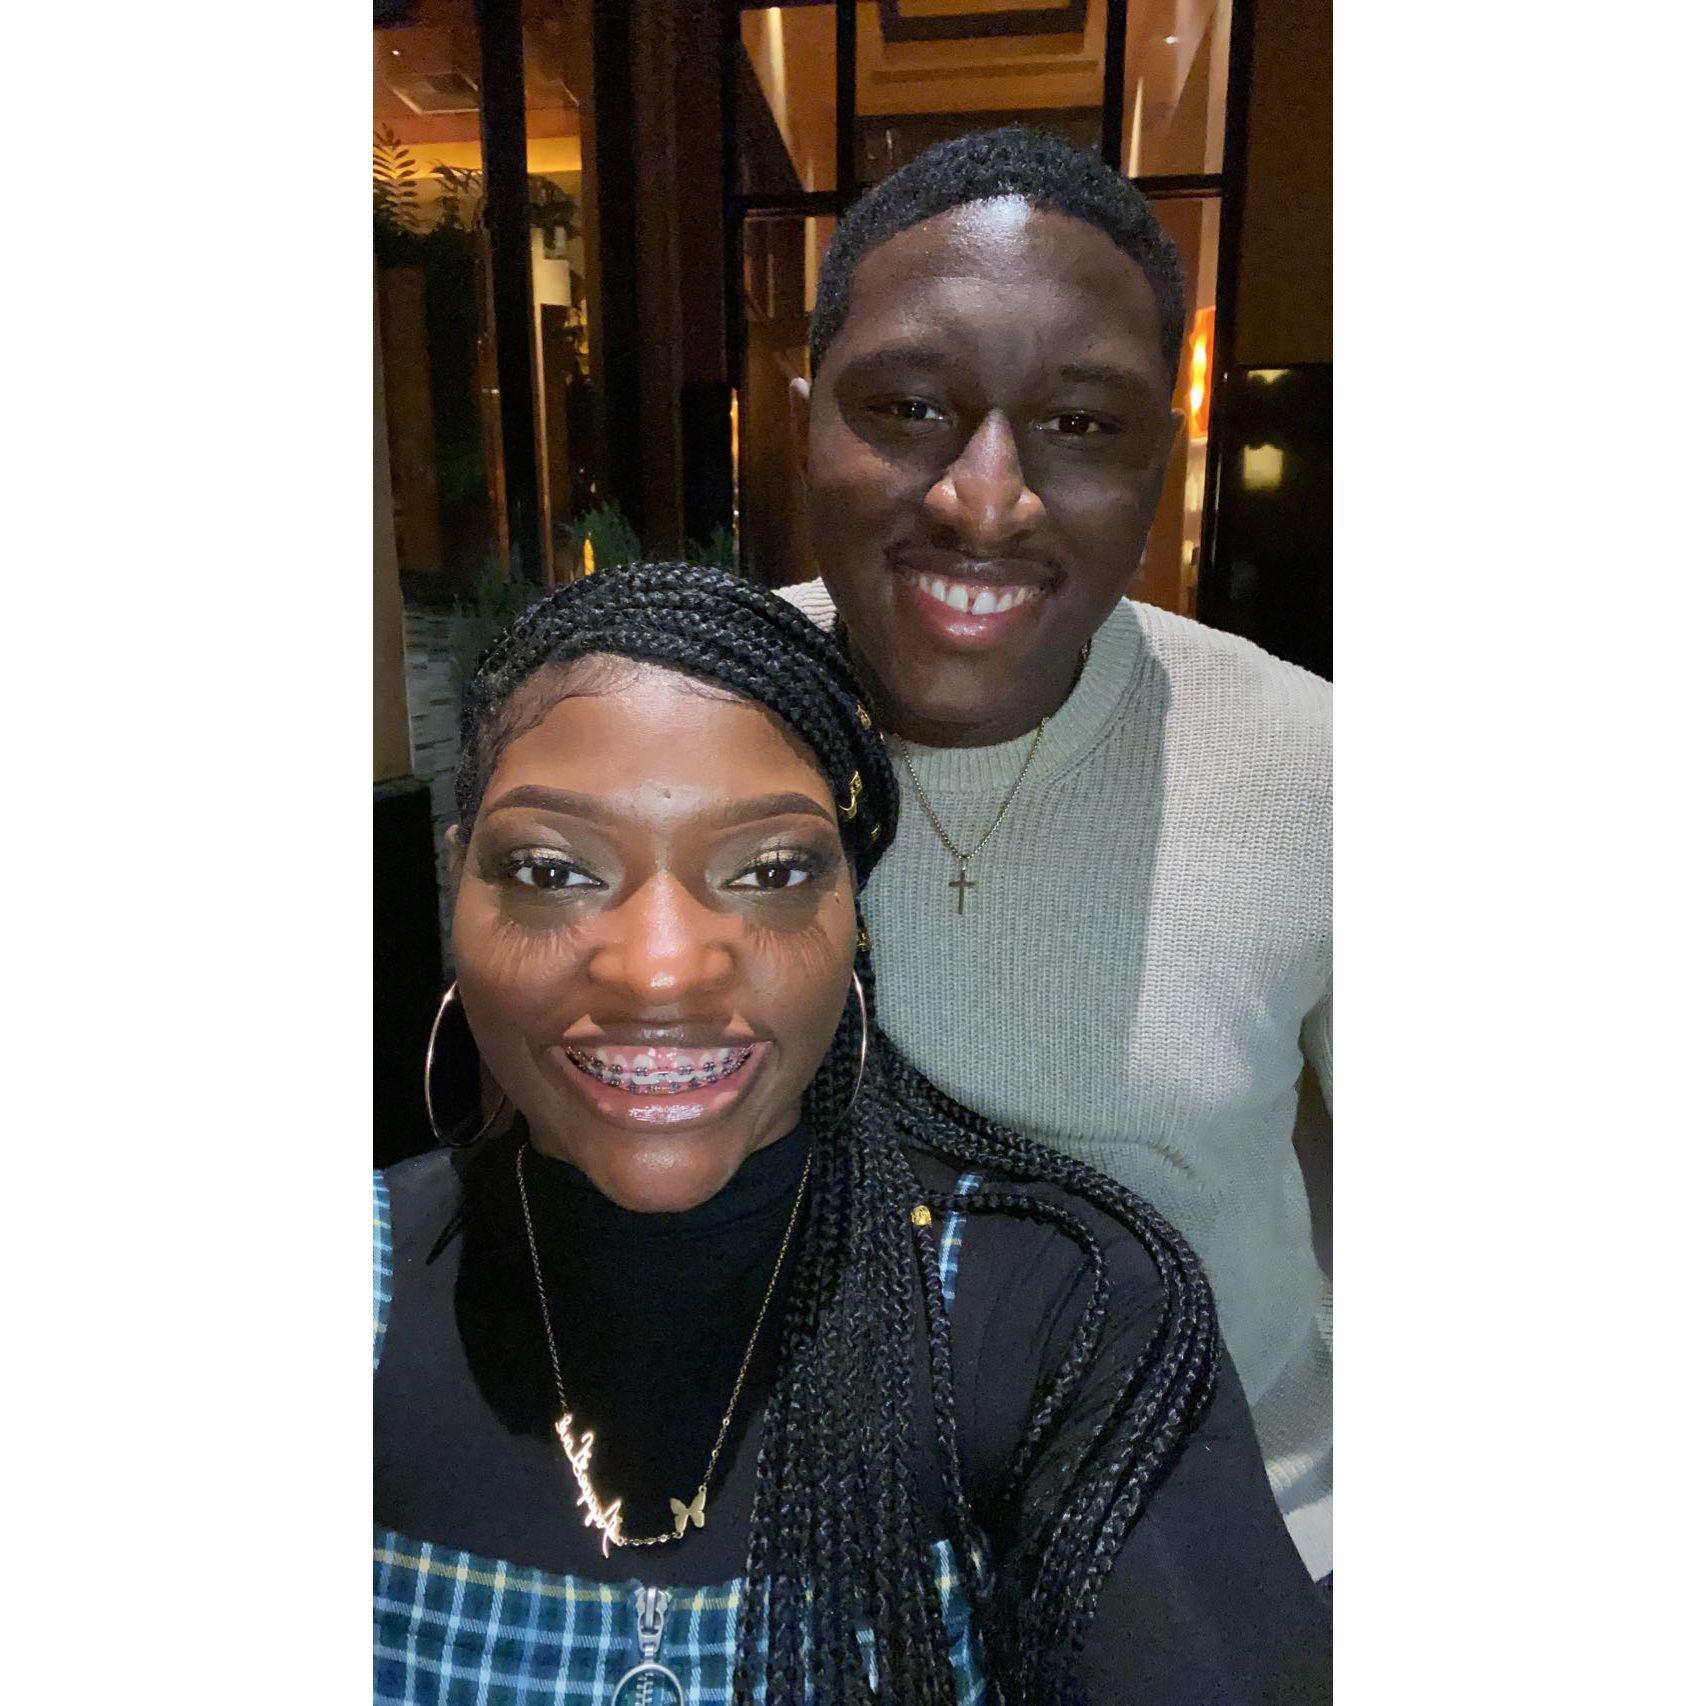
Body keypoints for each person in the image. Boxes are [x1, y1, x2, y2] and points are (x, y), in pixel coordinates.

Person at [374, 562, 1329, 1703]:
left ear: (852, 918)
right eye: (553, 870)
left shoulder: (1068, 1316)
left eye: (770, 871)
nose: (662, 971)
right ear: (460, 891)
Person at [782, 126, 1334, 1580]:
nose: (983, 499)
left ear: (1164, 454)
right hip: (805, 1569)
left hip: (1231, 1547)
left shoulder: (1319, 767)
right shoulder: (684, 720)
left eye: (1082, 423)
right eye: (907, 406)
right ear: (805, 418)